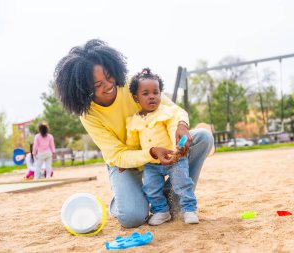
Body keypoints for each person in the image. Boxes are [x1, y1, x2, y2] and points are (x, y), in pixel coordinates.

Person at [54, 39, 214, 228]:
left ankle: (172, 197)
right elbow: (117, 155)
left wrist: (181, 124)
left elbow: (172, 110)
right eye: (97, 85)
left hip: (162, 150)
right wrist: (151, 152)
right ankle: (120, 202)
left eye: (108, 76)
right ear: (83, 89)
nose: (108, 85)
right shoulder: (88, 115)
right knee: (132, 218)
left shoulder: (132, 85)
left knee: (203, 138)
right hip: (125, 162)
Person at [126, 68, 199, 225]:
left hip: (174, 159)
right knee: (151, 189)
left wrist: (177, 149)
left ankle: (189, 209)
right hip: (151, 164)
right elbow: (132, 144)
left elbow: (174, 127)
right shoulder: (133, 121)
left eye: (156, 92)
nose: (152, 96)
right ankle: (161, 211)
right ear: (136, 97)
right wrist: (125, 161)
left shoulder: (166, 112)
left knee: (183, 184)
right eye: (145, 93)